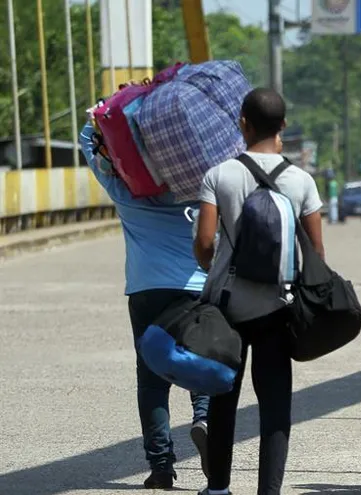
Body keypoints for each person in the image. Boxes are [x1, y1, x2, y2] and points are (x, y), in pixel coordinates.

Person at [194, 87, 324, 495]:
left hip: (227, 307)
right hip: (277, 306)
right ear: (283, 125)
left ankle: (218, 488)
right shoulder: (301, 181)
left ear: (243, 124)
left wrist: (215, 269)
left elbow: (204, 243)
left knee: (222, 398)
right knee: (274, 405)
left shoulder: (219, 175)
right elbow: (316, 253)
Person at [79, 119, 210, 490]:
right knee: (202, 363)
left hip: (146, 289)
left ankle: (161, 465)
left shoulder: (123, 188)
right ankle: (205, 419)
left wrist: (120, 114)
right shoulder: (198, 185)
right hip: (196, 287)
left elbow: (87, 137)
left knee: (151, 379)